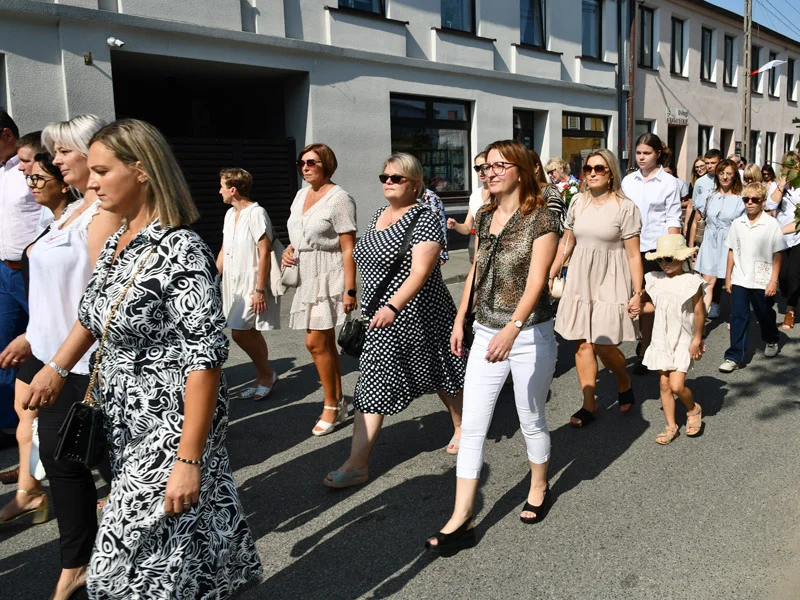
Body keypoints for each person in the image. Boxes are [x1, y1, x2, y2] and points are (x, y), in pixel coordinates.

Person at [24, 118, 262, 599]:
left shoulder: (182, 250)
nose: (89, 183)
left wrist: (189, 458)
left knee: (116, 560)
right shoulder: (117, 241)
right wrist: (55, 367)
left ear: (142, 171)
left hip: (170, 426)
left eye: (101, 171)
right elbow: (93, 316)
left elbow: (205, 361)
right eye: (88, 170)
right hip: (123, 423)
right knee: (182, 541)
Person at [425, 140, 560, 555]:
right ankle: (461, 518)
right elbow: (476, 269)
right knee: (473, 427)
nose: (489, 172)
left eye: (500, 166)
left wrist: (513, 329)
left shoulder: (542, 218)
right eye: (485, 167)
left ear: (520, 170)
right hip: (485, 330)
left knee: (530, 416)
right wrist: (461, 317)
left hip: (529, 333)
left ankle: (539, 486)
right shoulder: (484, 214)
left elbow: (537, 281)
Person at [0, 148, 117, 599]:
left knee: (93, 457)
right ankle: (76, 564)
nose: (32, 174)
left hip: (82, 361)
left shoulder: (97, 217)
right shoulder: (59, 221)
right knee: (62, 458)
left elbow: (96, 297)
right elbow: (55, 292)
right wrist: (31, 337)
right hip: (51, 353)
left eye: (64, 152)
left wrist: (60, 361)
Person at [324, 153, 466, 488]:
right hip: (380, 320)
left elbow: (421, 272)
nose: (388, 182)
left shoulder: (425, 219)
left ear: (415, 184)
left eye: (396, 178)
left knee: (441, 371)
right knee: (371, 385)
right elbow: (364, 256)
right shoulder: (377, 216)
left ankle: (463, 426)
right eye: (384, 177)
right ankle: (358, 463)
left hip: (420, 314)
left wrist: (393, 306)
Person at [552, 149, 643, 427]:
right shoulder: (578, 202)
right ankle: (588, 405)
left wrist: (638, 292)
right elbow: (567, 242)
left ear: (611, 172)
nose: (592, 172)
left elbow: (633, 254)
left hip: (611, 278)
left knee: (604, 344)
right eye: (588, 168)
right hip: (581, 276)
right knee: (582, 343)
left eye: (599, 168)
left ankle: (623, 379)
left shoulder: (625, 207)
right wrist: (552, 271)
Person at [282, 143, 357, 435]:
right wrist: (290, 248)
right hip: (306, 273)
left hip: (330, 274)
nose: (305, 167)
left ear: (326, 164)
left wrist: (350, 289)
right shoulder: (302, 194)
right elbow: (300, 233)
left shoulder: (340, 199)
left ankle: (331, 405)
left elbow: (348, 247)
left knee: (314, 343)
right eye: (301, 162)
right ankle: (338, 401)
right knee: (323, 343)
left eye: (312, 162)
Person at [621, 133, 682, 374]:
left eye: (647, 153)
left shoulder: (668, 182)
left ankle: (648, 348)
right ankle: (643, 341)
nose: (642, 158)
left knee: (650, 301)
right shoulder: (628, 181)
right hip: (629, 246)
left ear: (658, 154)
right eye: (638, 153)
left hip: (656, 249)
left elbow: (673, 217)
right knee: (631, 298)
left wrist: (673, 252)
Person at [216, 167, 279, 399]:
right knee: (249, 331)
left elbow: (264, 252)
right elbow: (224, 249)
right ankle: (264, 375)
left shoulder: (257, 213)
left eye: (222, 186)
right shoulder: (229, 215)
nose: (219, 190)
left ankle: (266, 374)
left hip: (251, 283)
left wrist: (259, 290)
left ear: (233, 189)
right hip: (232, 283)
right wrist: (212, 278)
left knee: (240, 333)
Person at [0, 110, 41, 450]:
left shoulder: (31, 169)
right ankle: (13, 431)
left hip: (32, 272)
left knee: (47, 343)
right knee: (5, 351)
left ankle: (52, 427)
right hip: (3, 274)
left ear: (6, 135)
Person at [640, 234, 706, 444]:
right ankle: (671, 425)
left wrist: (697, 339)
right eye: (661, 259)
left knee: (677, 385)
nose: (664, 264)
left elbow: (698, 313)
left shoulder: (691, 281)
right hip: (661, 337)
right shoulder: (655, 280)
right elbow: (655, 306)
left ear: (681, 258)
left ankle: (693, 408)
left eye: (669, 259)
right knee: (664, 383)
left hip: (683, 338)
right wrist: (639, 309)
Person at [718, 183, 787, 373]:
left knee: (764, 313)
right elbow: (731, 250)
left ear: (763, 202)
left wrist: (774, 280)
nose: (749, 203)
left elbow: (777, 254)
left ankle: (771, 338)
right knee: (739, 315)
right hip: (740, 277)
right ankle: (733, 356)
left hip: (763, 278)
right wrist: (728, 277)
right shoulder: (737, 223)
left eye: (754, 200)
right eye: (746, 199)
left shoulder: (771, 224)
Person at [695, 159, 745, 314]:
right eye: (721, 173)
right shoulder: (708, 196)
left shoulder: (741, 200)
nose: (724, 177)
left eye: (728, 173)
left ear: (734, 176)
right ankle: (701, 322)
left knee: (732, 284)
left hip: (729, 242)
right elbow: (698, 220)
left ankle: (735, 318)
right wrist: (693, 243)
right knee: (708, 282)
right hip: (710, 241)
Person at [766, 151, 800, 330]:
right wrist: (781, 185)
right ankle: (789, 297)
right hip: (781, 237)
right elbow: (770, 205)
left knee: (794, 274)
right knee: (784, 276)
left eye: (794, 166)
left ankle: (790, 310)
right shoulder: (777, 186)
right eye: (787, 166)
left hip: (798, 235)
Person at [447, 152, 489, 262]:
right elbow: (467, 228)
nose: (481, 172)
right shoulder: (475, 195)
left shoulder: (502, 193)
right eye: (477, 168)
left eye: (485, 167)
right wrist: (455, 225)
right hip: (478, 247)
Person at [686, 149, 722, 248]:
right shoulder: (699, 182)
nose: (709, 166)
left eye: (713, 163)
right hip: (706, 228)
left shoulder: (726, 180)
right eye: (707, 163)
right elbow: (695, 211)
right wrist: (691, 243)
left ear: (720, 162)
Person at [530, 149, 567, 229]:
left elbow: (554, 225)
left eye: (552, 172)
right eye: (548, 173)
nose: (550, 175)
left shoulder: (550, 191)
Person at [419, 186, 449, 263]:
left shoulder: (430, 197)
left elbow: (440, 224)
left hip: (423, 250)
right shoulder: (398, 198)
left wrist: (442, 252)